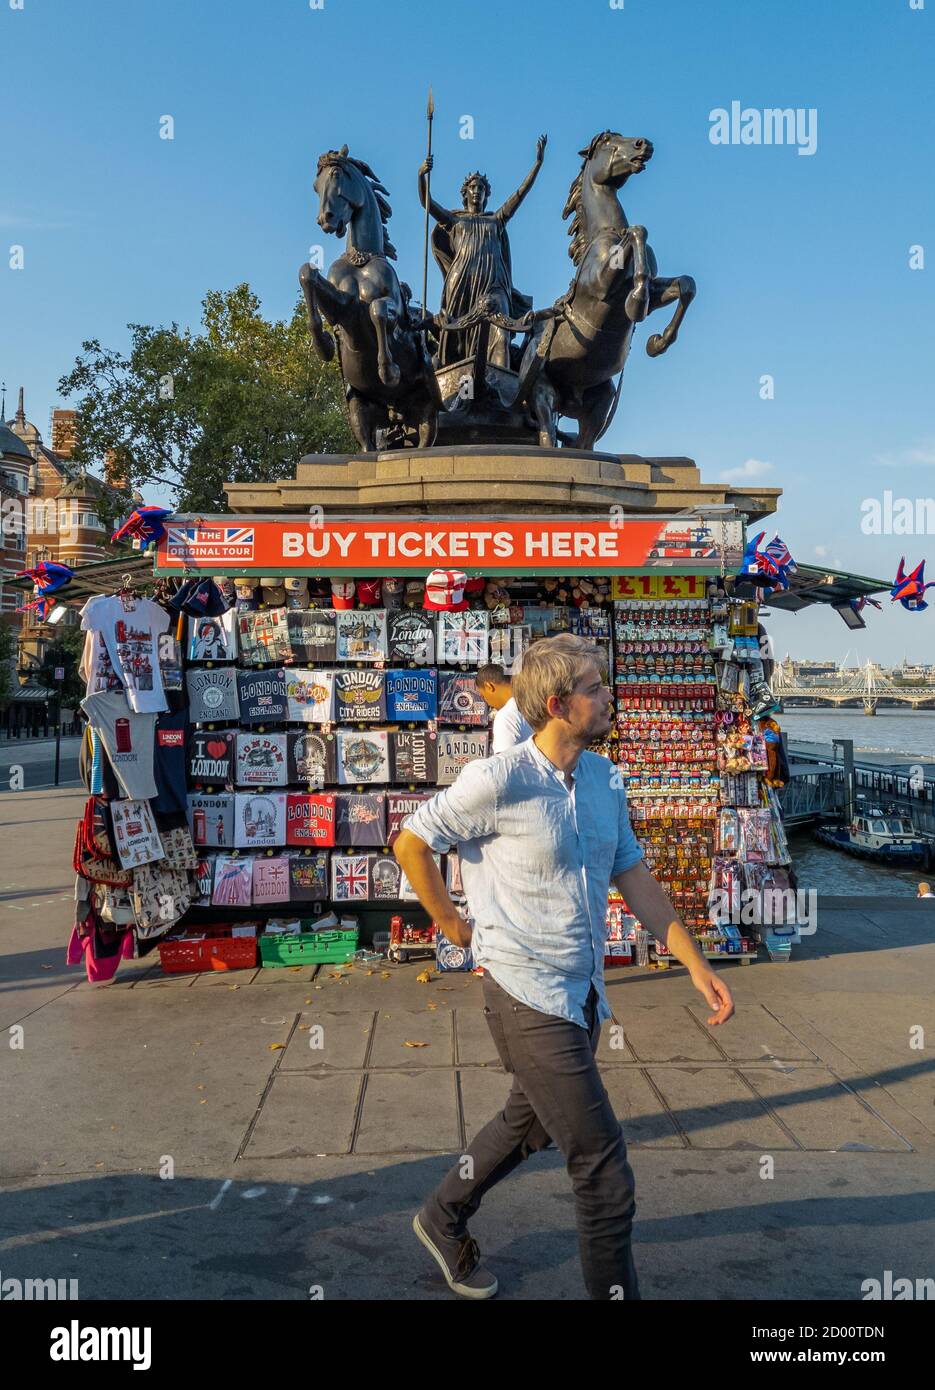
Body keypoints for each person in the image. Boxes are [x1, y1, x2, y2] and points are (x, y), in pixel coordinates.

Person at [394, 634, 735, 1301]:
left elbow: (630, 871)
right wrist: (454, 926)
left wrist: (692, 961)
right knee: (603, 1171)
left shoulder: (605, 778)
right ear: (557, 704)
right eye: (594, 687)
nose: (607, 697)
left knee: (527, 1124)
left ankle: (441, 1216)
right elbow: (411, 841)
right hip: (521, 988)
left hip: (581, 991)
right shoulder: (499, 777)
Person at [418, 136, 546, 367]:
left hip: (494, 285)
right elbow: (426, 202)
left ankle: (500, 381)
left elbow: (520, 194)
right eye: (473, 187)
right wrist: (421, 175)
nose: (477, 191)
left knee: (500, 334)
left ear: (487, 194)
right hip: (461, 287)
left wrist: (537, 164)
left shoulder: (496, 220)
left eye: (481, 188)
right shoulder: (454, 220)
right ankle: (456, 380)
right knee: (456, 341)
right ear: (465, 193)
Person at [475, 663, 532, 753]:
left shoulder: (506, 715)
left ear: (489, 686)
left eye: (483, 696)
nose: (487, 703)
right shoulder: (534, 704)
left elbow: (505, 763)